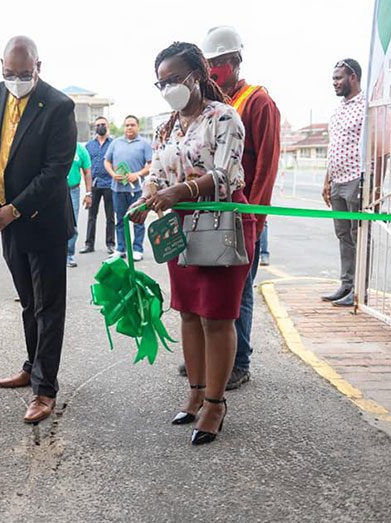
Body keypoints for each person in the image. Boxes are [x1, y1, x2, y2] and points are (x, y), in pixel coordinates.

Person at [130, 41, 255, 445]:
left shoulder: (224, 118)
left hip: (221, 221)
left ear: (198, 75)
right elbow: (156, 173)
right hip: (180, 225)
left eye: (175, 79)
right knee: (187, 311)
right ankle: (196, 392)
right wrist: (146, 196)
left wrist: (179, 191)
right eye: (160, 82)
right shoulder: (166, 125)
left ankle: (216, 403)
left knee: (217, 316)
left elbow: (224, 175)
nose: (168, 89)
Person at [0, 35, 76, 424]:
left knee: (49, 307)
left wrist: (14, 209)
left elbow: (54, 172)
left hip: (41, 220)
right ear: (1, 67)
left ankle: (45, 390)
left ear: (38, 68)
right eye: (9, 73)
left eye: (24, 74)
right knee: (28, 303)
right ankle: (33, 366)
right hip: (5, 222)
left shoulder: (60, 106)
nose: (16, 80)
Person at [200, 26, 281, 390]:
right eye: (208, 63)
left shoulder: (257, 102)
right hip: (212, 214)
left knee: (239, 292)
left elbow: (266, 165)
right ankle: (211, 359)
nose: (212, 70)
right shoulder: (211, 103)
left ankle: (239, 362)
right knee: (211, 289)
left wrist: (256, 219)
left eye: (218, 62)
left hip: (243, 216)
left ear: (235, 62)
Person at [322, 58, 365, 308]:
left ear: (353, 77)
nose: (335, 83)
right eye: (333, 79)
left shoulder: (366, 107)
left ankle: (360, 289)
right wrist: (327, 181)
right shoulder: (338, 110)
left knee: (358, 235)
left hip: (356, 179)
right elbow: (333, 148)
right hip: (337, 180)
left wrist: (373, 182)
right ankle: (346, 284)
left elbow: (375, 145)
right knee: (343, 235)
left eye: (338, 78)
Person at [104, 115, 152, 261]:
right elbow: (107, 161)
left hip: (137, 189)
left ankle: (137, 249)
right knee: (119, 220)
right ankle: (120, 249)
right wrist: (112, 174)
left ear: (138, 126)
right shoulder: (115, 143)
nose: (129, 128)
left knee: (138, 219)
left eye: (132, 125)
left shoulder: (144, 143)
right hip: (118, 189)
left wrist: (137, 174)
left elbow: (150, 165)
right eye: (127, 125)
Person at [81, 116, 115, 254]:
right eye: (98, 125)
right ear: (95, 127)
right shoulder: (89, 146)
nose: (100, 126)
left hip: (109, 184)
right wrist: (87, 189)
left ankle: (111, 244)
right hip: (94, 184)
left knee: (110, 216)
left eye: (103, 124)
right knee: (91, 216)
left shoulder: (113, 144)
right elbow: (85, 168)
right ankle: (89, 244)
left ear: (107, 126)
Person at [66, 142, 92, 267]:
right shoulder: (53, 145)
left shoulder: (80, 150)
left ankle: (69, 254)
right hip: (54, 190)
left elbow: (87, 172)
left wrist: (88, 193)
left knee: (72, 224)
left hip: (73, 191)